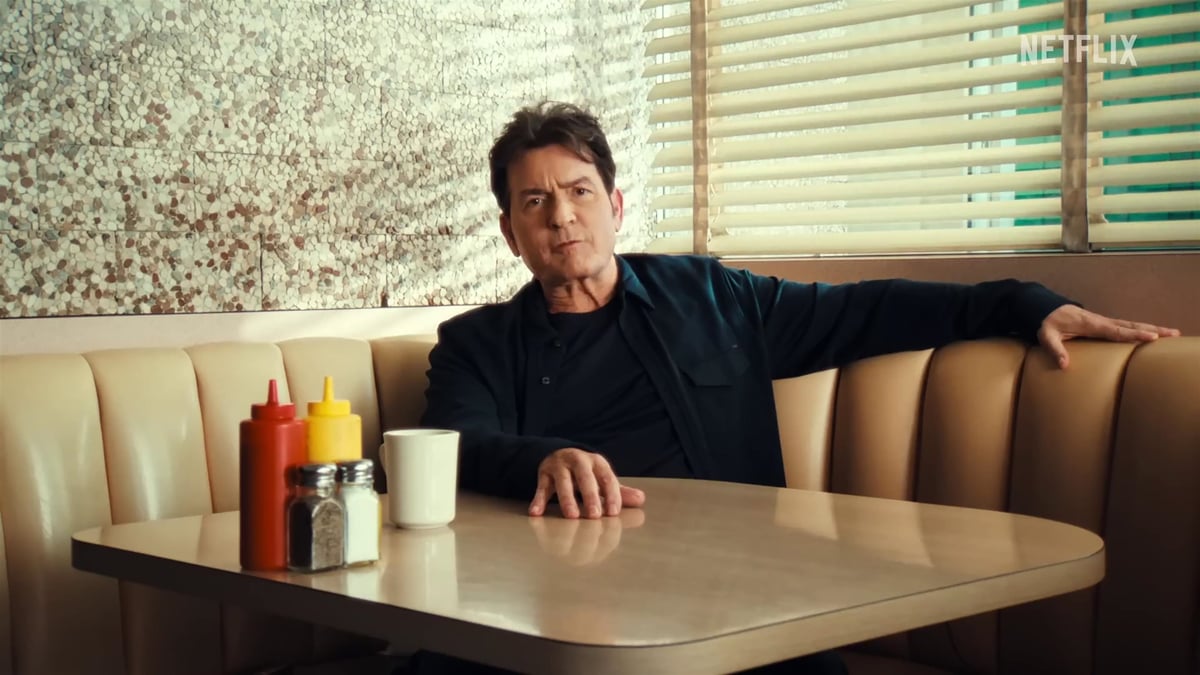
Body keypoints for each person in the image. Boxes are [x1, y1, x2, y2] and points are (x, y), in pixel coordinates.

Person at [413, 101, 1180, 675]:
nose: (561, 217)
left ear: (614, 206)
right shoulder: (476, 343)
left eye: (579, 191)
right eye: (535, 201)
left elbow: (871, 310)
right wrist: (542, 457)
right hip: (557, 611)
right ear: (511, 233)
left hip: (729, 601)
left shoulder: (713, 297)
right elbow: (455, 444)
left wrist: (1026, 303)